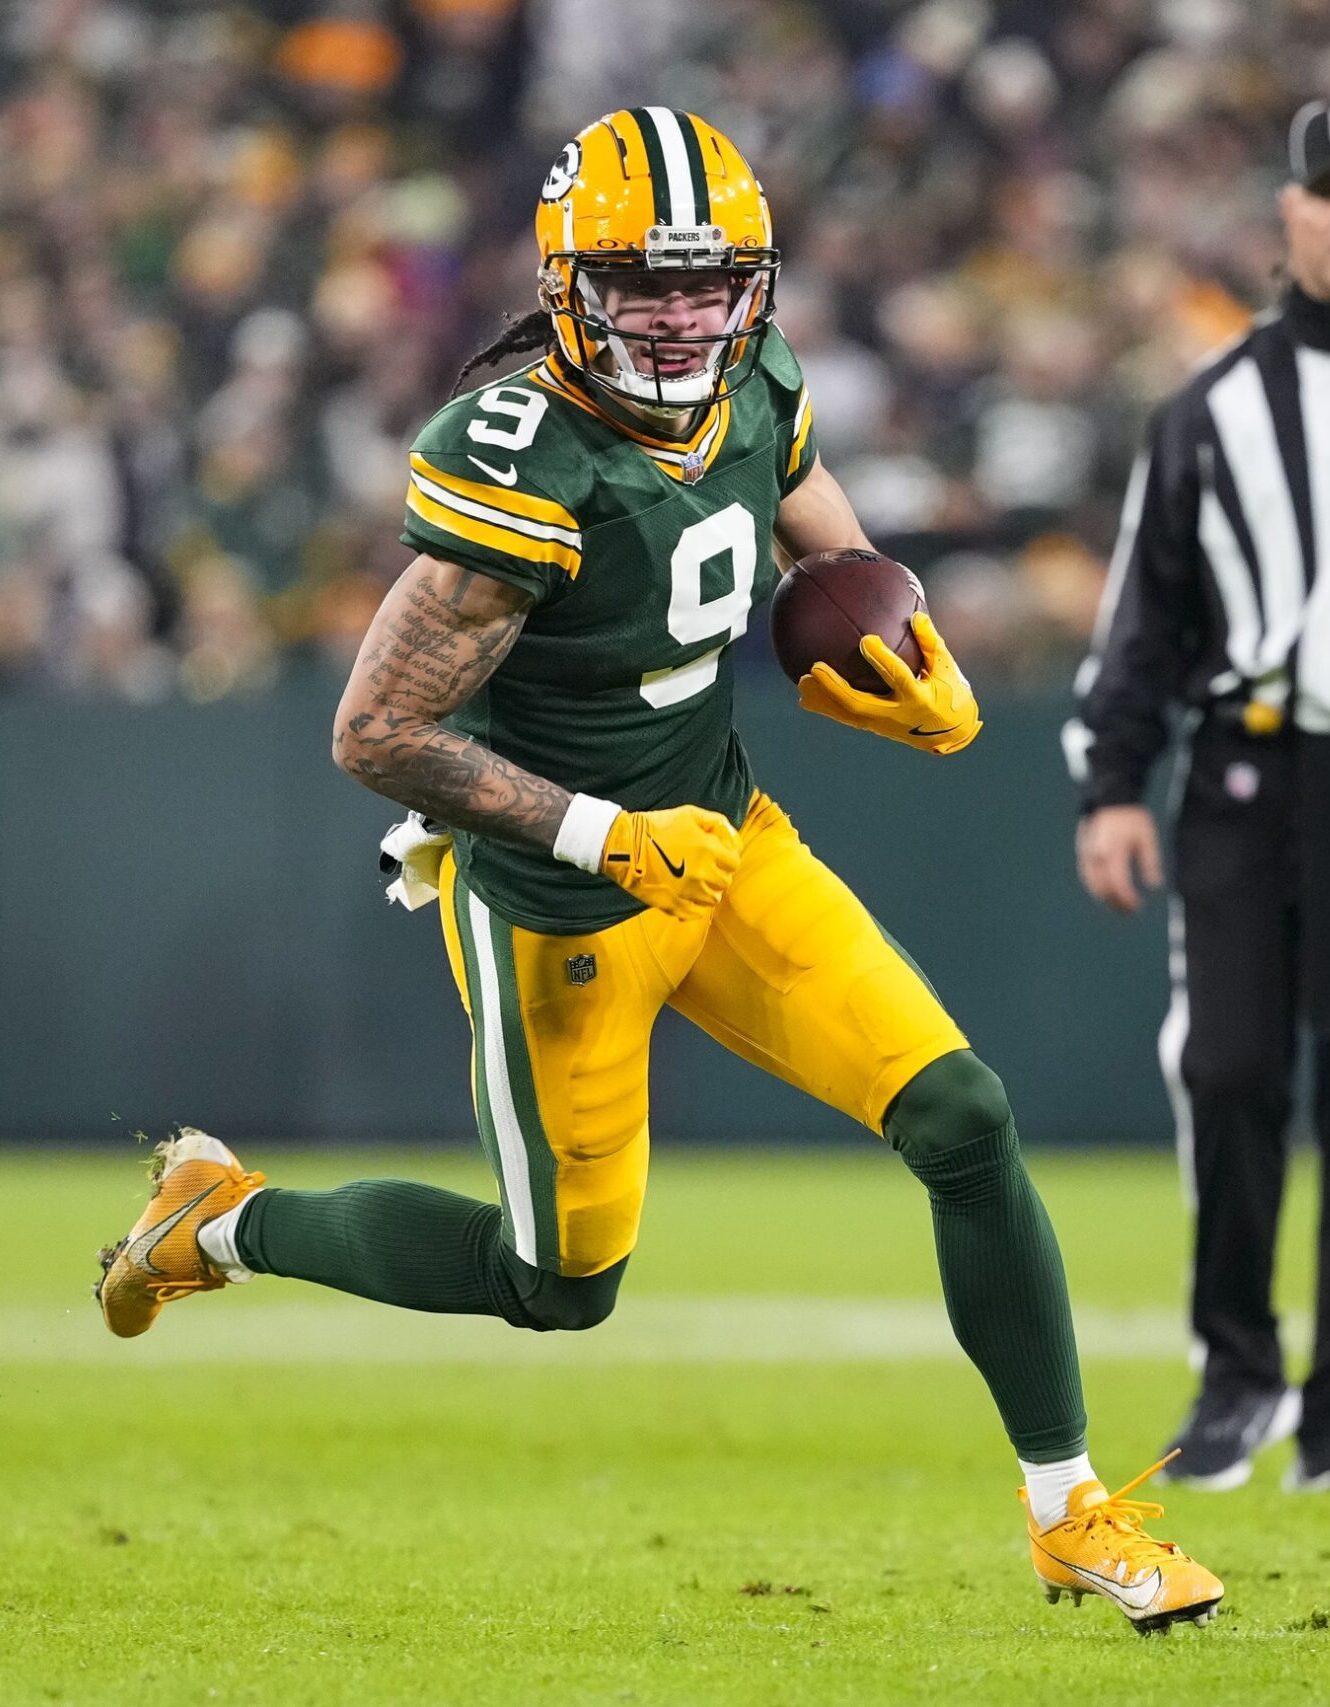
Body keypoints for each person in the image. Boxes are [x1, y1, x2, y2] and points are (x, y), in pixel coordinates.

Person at [97, 108, 1221, 1629]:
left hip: (725, 839)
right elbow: (375, 729)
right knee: (556, 1284)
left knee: (960, 1114)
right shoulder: (523, 456)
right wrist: (595, 834)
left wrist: (892, 635)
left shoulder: (758, 377)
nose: (686, 316)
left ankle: (1068, 1510)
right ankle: (217, 1220)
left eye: (711, 282)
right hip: (564, 898)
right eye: (645, 283)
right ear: (573, 282)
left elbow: (815, 521)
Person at [1069, 104, 1330, 1495]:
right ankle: (1237, 1373)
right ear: (1287, 213)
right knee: (1227, 1068)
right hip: (1248, 771)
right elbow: (1141, 621)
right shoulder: (1212, 409)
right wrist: (1109, 784)